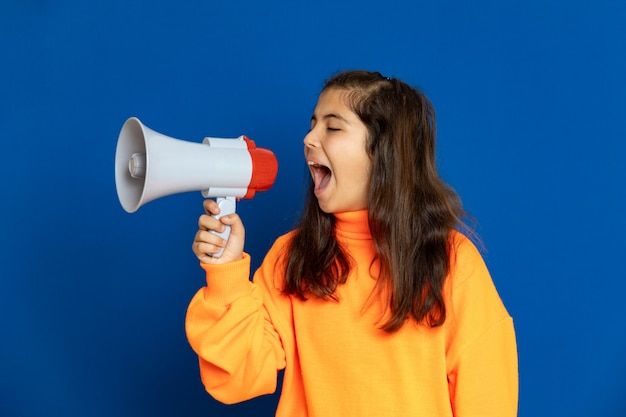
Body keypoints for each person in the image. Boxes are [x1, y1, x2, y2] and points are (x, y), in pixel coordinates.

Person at [186, 69, 518, 416]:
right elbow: (238, 377)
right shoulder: (293, 257)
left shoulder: (452, 261)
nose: (309, 138)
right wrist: (225, 276)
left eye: (332, 127)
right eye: (313, 124)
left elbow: (487, 398)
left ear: (384, 152)